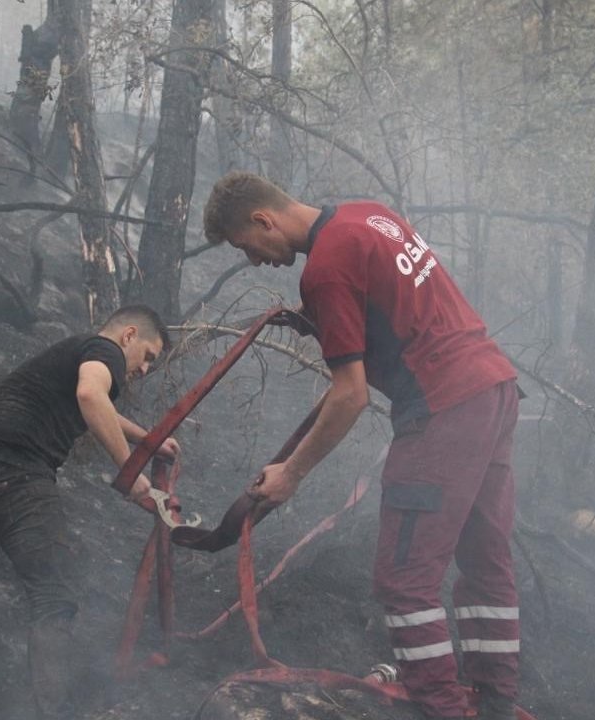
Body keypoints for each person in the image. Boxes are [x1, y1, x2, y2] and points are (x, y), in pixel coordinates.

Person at [203, 173, 522, 720]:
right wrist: (325, 320)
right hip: (493, 388)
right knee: (484, 558)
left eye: (244, 246)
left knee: (404, 580)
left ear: (263, 220)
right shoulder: (368, 215)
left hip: (443, 409)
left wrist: (291, 473)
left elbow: (348, 396)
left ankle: (442, 709)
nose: (254, 261)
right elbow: (401, 305)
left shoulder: (325, 270)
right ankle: (495, 702)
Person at [0, 305, 179, 720]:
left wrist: (148, 439)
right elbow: (90, 395)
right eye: (148, 356)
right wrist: (131, 472)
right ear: (129, 335)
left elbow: (94, 402)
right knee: (55, 594)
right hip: (14, 476)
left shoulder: (79, 355)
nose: (146, 369)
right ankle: (54, 712)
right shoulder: (104, 349)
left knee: (55, 583)